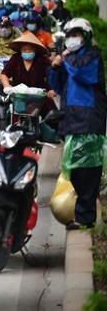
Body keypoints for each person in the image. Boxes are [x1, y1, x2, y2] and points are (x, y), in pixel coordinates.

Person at [49, 18, 107, 229]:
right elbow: (56, 86)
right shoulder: (70, 60)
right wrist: (55, 67)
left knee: (88, 169)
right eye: (69, 35)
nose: (72, 39)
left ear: (86, 37)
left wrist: (65, 58)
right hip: (71, 120)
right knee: (74, 169)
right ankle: (83, 213)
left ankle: (85, 217)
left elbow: (82, 73)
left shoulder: (92, 56)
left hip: (89, 120)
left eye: (76, 35)